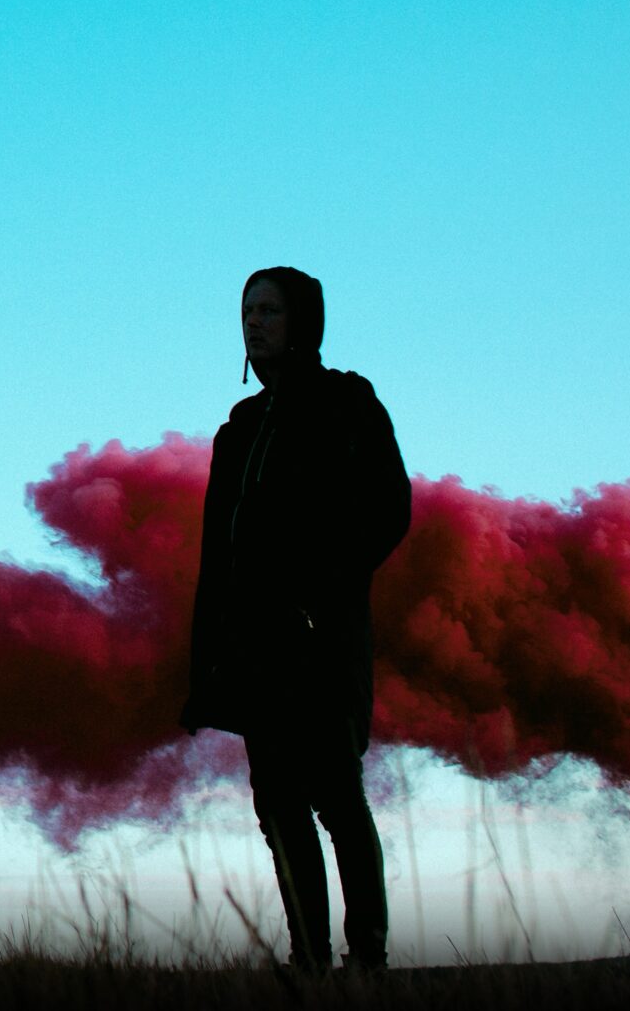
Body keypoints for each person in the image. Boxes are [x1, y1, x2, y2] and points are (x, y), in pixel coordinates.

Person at [182, 266, 411, 972]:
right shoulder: (240, 428)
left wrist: (322, 594)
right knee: (277, 806)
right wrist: (204, 664)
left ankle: (366, 957)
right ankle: (309, 959)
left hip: (322, 638)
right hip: (255, 647)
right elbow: (216, 555)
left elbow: (389, 509)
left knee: (337, 797)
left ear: (303, 321)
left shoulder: (347, 401)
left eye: (270, 311)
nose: (254, 323)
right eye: (247, 311)